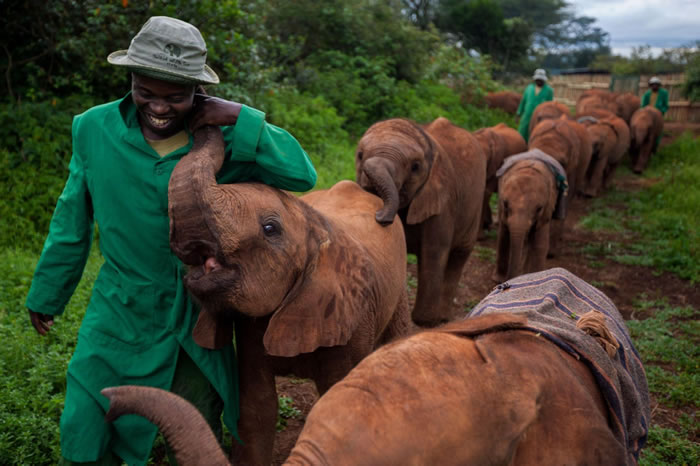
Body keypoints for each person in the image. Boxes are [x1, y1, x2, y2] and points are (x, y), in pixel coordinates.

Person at [25, 16, 317, 466]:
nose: (159, 107)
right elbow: (71, 221)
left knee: (193, 429)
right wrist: (48, 291)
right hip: (118, 308)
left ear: (199, 93)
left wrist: (240, 115)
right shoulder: (93, 128)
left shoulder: (222, 140)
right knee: (84, 425)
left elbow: (302, 174)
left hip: (194, 317)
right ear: (131, 79)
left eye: (176, 97)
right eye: (147, 92)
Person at [517, 68, 554, 142]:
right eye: (537, 80)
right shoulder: (529, 88)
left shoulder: (549, 90)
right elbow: (523, 101)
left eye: (540, 80)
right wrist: (518, 113)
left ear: (544, 80)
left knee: (535, 136)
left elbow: (549, 106)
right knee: (521, 134)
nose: (539, 81)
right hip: (527, 116)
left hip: (540, 118)